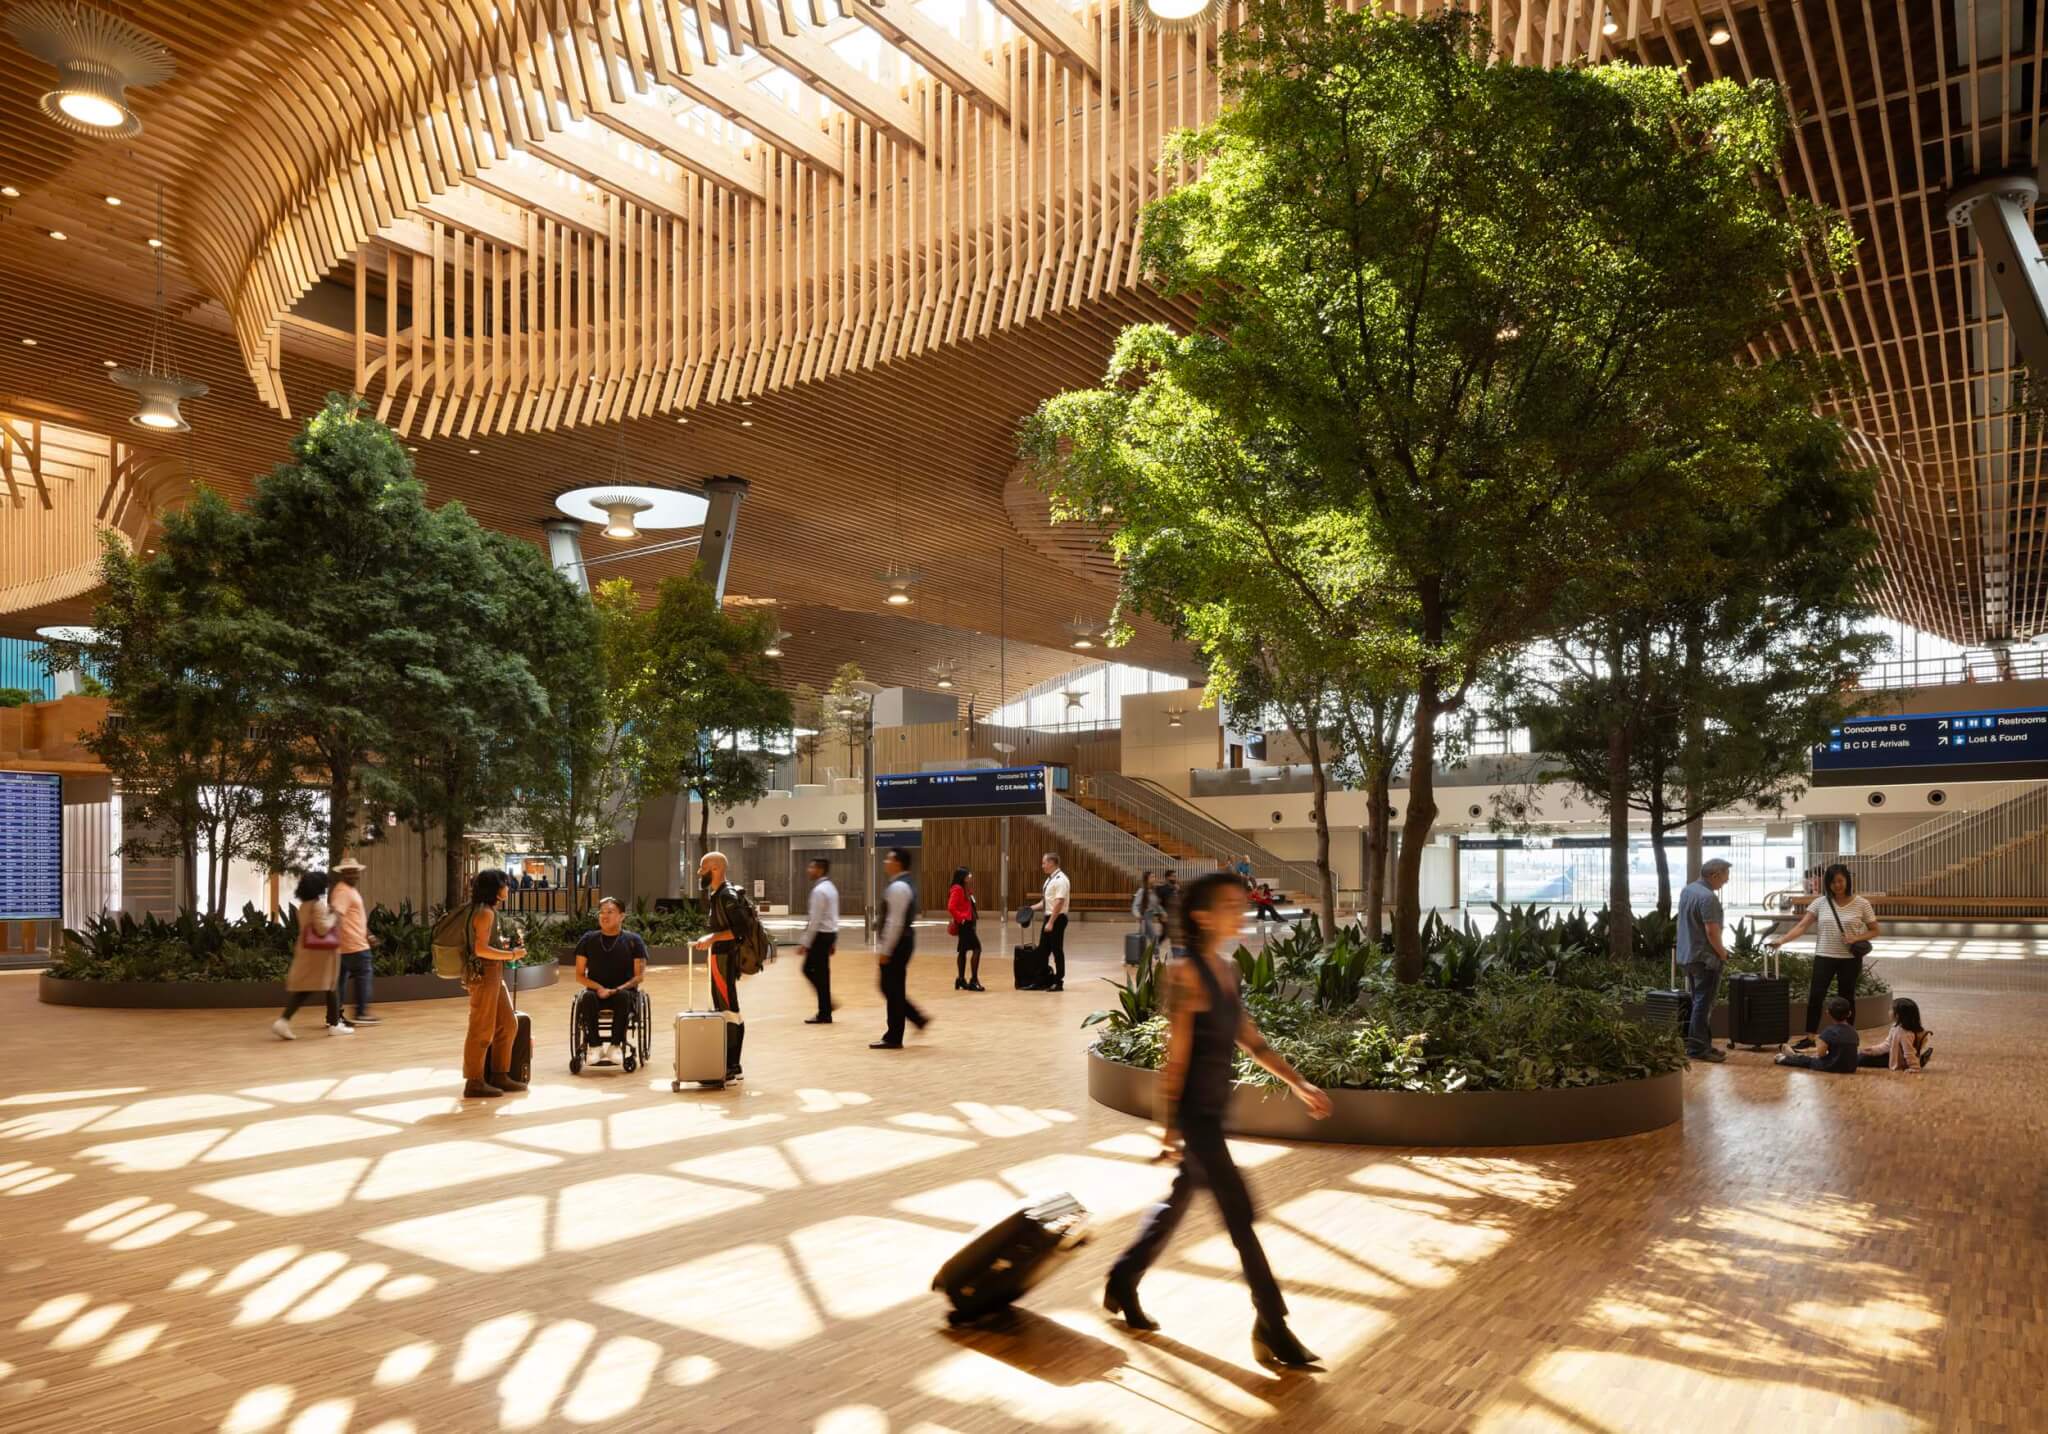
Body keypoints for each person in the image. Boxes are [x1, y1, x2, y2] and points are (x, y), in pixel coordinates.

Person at [1102, 873, 1332, 1368]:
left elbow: (1251, 1040)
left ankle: (1123, 1278)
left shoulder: (1226, 972)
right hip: (1197, 1119)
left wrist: (1299, 1083)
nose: (1241, 912)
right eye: (1231, 905)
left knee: (1178, 1203)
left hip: (1214, 1111)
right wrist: (1169, 1128)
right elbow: (1175, 1057)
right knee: (1240, 1216)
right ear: (1203, 917)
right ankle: (1272, 1323)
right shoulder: (1185, 975)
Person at [1769, 862, 1880, 1048]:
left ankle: (1847, 1037)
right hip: (1824, 956)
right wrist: (1782, 940)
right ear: (1827, 884)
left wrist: (1856, 937)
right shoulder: (1820, 903)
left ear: (1847, 880)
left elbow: (1875, 930)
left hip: (1850, 959)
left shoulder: (1861, 903)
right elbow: (1802, 926)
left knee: (1847, 998)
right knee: (1816, 996)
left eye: (1840, 881)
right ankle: (1810, 1037)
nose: (1836, 885)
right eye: (1832, 882)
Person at [461, 868, 528, 1099]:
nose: (508, 888)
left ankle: (500, 1074)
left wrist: (504, 950)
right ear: (496, 889)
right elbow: (480, 949)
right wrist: (511, 956)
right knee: (481, 1029)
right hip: (484, 975)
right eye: (505, 884)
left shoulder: (486, 911)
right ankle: (474, 1081)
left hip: (492, 974)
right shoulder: (485, 913)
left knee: (508, 1024)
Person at [691, 851, 751, 1081]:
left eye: (702, 867)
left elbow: (740, 930)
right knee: (726, 1009)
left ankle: (731, 1067)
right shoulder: (719, 894)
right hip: (720, 958)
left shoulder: (727, 895)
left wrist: (712, 938)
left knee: (728, 1010)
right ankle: (730, 1065)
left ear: (715, 869)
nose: (699, 872)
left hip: (725, 959)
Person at [273, 870, 347, 1039]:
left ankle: (333, 1023)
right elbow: (322, 929)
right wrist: (333, 916)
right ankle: (285, 1021)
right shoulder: (317, 905)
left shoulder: (304, 905)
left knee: (323, 987)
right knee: (324, 986)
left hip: (309, 952)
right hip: (320, 955)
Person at [574, 896, 647, 1063]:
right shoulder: (588, 940)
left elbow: (639, 976)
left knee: (623, 997)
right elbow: (579, 975)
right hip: (596, 993)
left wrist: (618, 989)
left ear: (622, 916)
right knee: (587, 997)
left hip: (623, 994)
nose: (604, 916)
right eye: (602, 912)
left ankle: (615, 1046)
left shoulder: (634, 941)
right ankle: (595, 1046)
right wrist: (599, 988)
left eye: (610, 912)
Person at [1676, 857, 1733, 1063]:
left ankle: (1703, 1044)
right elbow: (1711, 931)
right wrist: (1722, 953)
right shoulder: (1708, 898)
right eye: (1725, 876)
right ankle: (1698, 1049)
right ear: (1714, 875)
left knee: (1698, 1001)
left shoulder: (1688, 890)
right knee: (1703, 1004)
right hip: (1705, 959)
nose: (1726, 881)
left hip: (1688, 956)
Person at [872, 847, 930, 1049]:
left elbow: (894, 922)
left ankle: (895, 1035)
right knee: (892, 987)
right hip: (904, 941)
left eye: (888, 859)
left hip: (898, 943)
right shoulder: (904, 884)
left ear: (897, 862)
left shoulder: (898, 887)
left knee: (890, 988)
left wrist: (885, 951)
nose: (885, 863)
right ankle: (914, 1020)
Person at [329, 858, 379, 1025]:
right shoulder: (343, 891)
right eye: (350, 871)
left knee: (340, 982)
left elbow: (356, 917)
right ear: (343, 874)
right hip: (353, 944)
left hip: (348, 944)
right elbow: (336, 915)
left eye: (355, 871)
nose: (354, 875)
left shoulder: (348, 890)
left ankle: (334, 1017)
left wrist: (369, 935)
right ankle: (361, 1013)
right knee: (364, 975)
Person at [798, 858, 840, 1024]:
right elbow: (834, 915)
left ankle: (825, 1010)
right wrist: (834, 939)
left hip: (820, 936)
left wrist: (805, 942)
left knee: (809, 970)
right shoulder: (831, 888)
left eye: (812, 867)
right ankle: (826, 1007)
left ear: (820, 870)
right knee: (822, 973)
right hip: (828, 934)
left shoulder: (819, 891)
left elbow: (815, 920)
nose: (809, 870)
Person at [1775, 995, 1859, 1073]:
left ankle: (1783, 1059)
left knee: (1808, 1061)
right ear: (1849, 1013)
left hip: (1832, 1066)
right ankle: (1795, 1056)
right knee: (1813, 1058)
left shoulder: (1828, 1032)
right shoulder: (1854, 1032)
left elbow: (1821, 1054)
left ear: (1828, 1013)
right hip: (1850, 1068)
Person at [1029, 852, 1071, 992]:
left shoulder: (1061, 880)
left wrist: (1051, 922)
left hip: (1057, 919)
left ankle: (1058, 982)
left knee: (1056, 950)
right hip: (1049, 917)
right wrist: (1030, 909)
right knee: (1043, 951)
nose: (1042, 866)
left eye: (1044, 863)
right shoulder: (1050, 880)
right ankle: (1040, 981)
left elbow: (1059, 902)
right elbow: (1046, 902)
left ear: (1051, 863)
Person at [1859, 996, 1934, 1071]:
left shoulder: (1904, 1033)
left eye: (1890, 1009)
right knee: (1863, 1056)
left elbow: (1909, 1052)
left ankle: (1917, 1062)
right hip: (1894, 1055)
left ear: (1898, 1015)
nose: (1888, 1011)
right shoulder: (1896, 1027)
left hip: (1899, 1061)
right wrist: (1873, 1050)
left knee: (1861, 1059)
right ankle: (1918, 1060)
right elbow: (1887, 1045)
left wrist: (1914, 1067)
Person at [949, 867, 984, 991]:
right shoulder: (957, 889)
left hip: (969, 923)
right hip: (965, 924)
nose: (970, 877)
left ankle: (961, 979)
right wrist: (961, 919)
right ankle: (973, 980)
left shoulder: (965, 888)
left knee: (963, 950)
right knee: (977, 948)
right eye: (968, 875)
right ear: (962, 876)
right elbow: (951, 907)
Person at [1132, 870, 1162, 949]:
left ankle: (1137, 956)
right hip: (1145, 917)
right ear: (1146, 879)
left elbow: (1156, 905)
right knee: (1153, 938)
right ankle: (1156, 956)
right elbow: (1135, 906)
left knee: (1142, 939)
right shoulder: (1141, 891)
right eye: (1152, 877)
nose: (1154, 879)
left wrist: (1162, 913)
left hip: (1150, 917)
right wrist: (1138, 915)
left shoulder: (1153, 891)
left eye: (1154, 877)